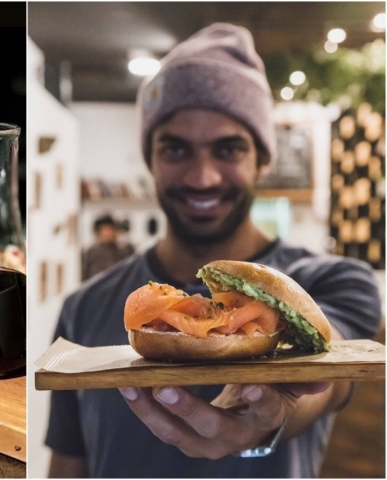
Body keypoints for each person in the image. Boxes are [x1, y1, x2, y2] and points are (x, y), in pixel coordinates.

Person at [45, 23, 381, 478]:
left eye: (228, 149)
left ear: (263, 159)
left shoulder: (335, 280)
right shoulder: (84, 306)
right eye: (176, 149)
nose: (203, 177)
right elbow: (68, 465)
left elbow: (331, 377)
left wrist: (275, 412)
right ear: (150, 160)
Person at [82, 214, 136, 281]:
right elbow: (86, 275)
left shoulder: (125, 249)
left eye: (110, 229)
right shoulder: (92, 251)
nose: (107, 233)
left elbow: (133, 272)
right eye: (104, 230)